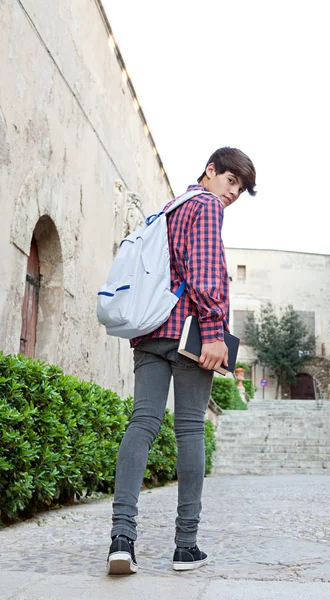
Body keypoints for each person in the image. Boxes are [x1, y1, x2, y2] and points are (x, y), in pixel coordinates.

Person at [107, 147, 257, 575]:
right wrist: (214, 333)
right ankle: (185, 546)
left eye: (241, 189)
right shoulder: (207, 207)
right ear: (211, 171)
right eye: (231, 181)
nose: (233, 193)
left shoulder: (169, 210)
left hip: (150, 331)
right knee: (190, 431)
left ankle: (122, 539)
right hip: (191, 335)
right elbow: (206, 274)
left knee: (142, 424)